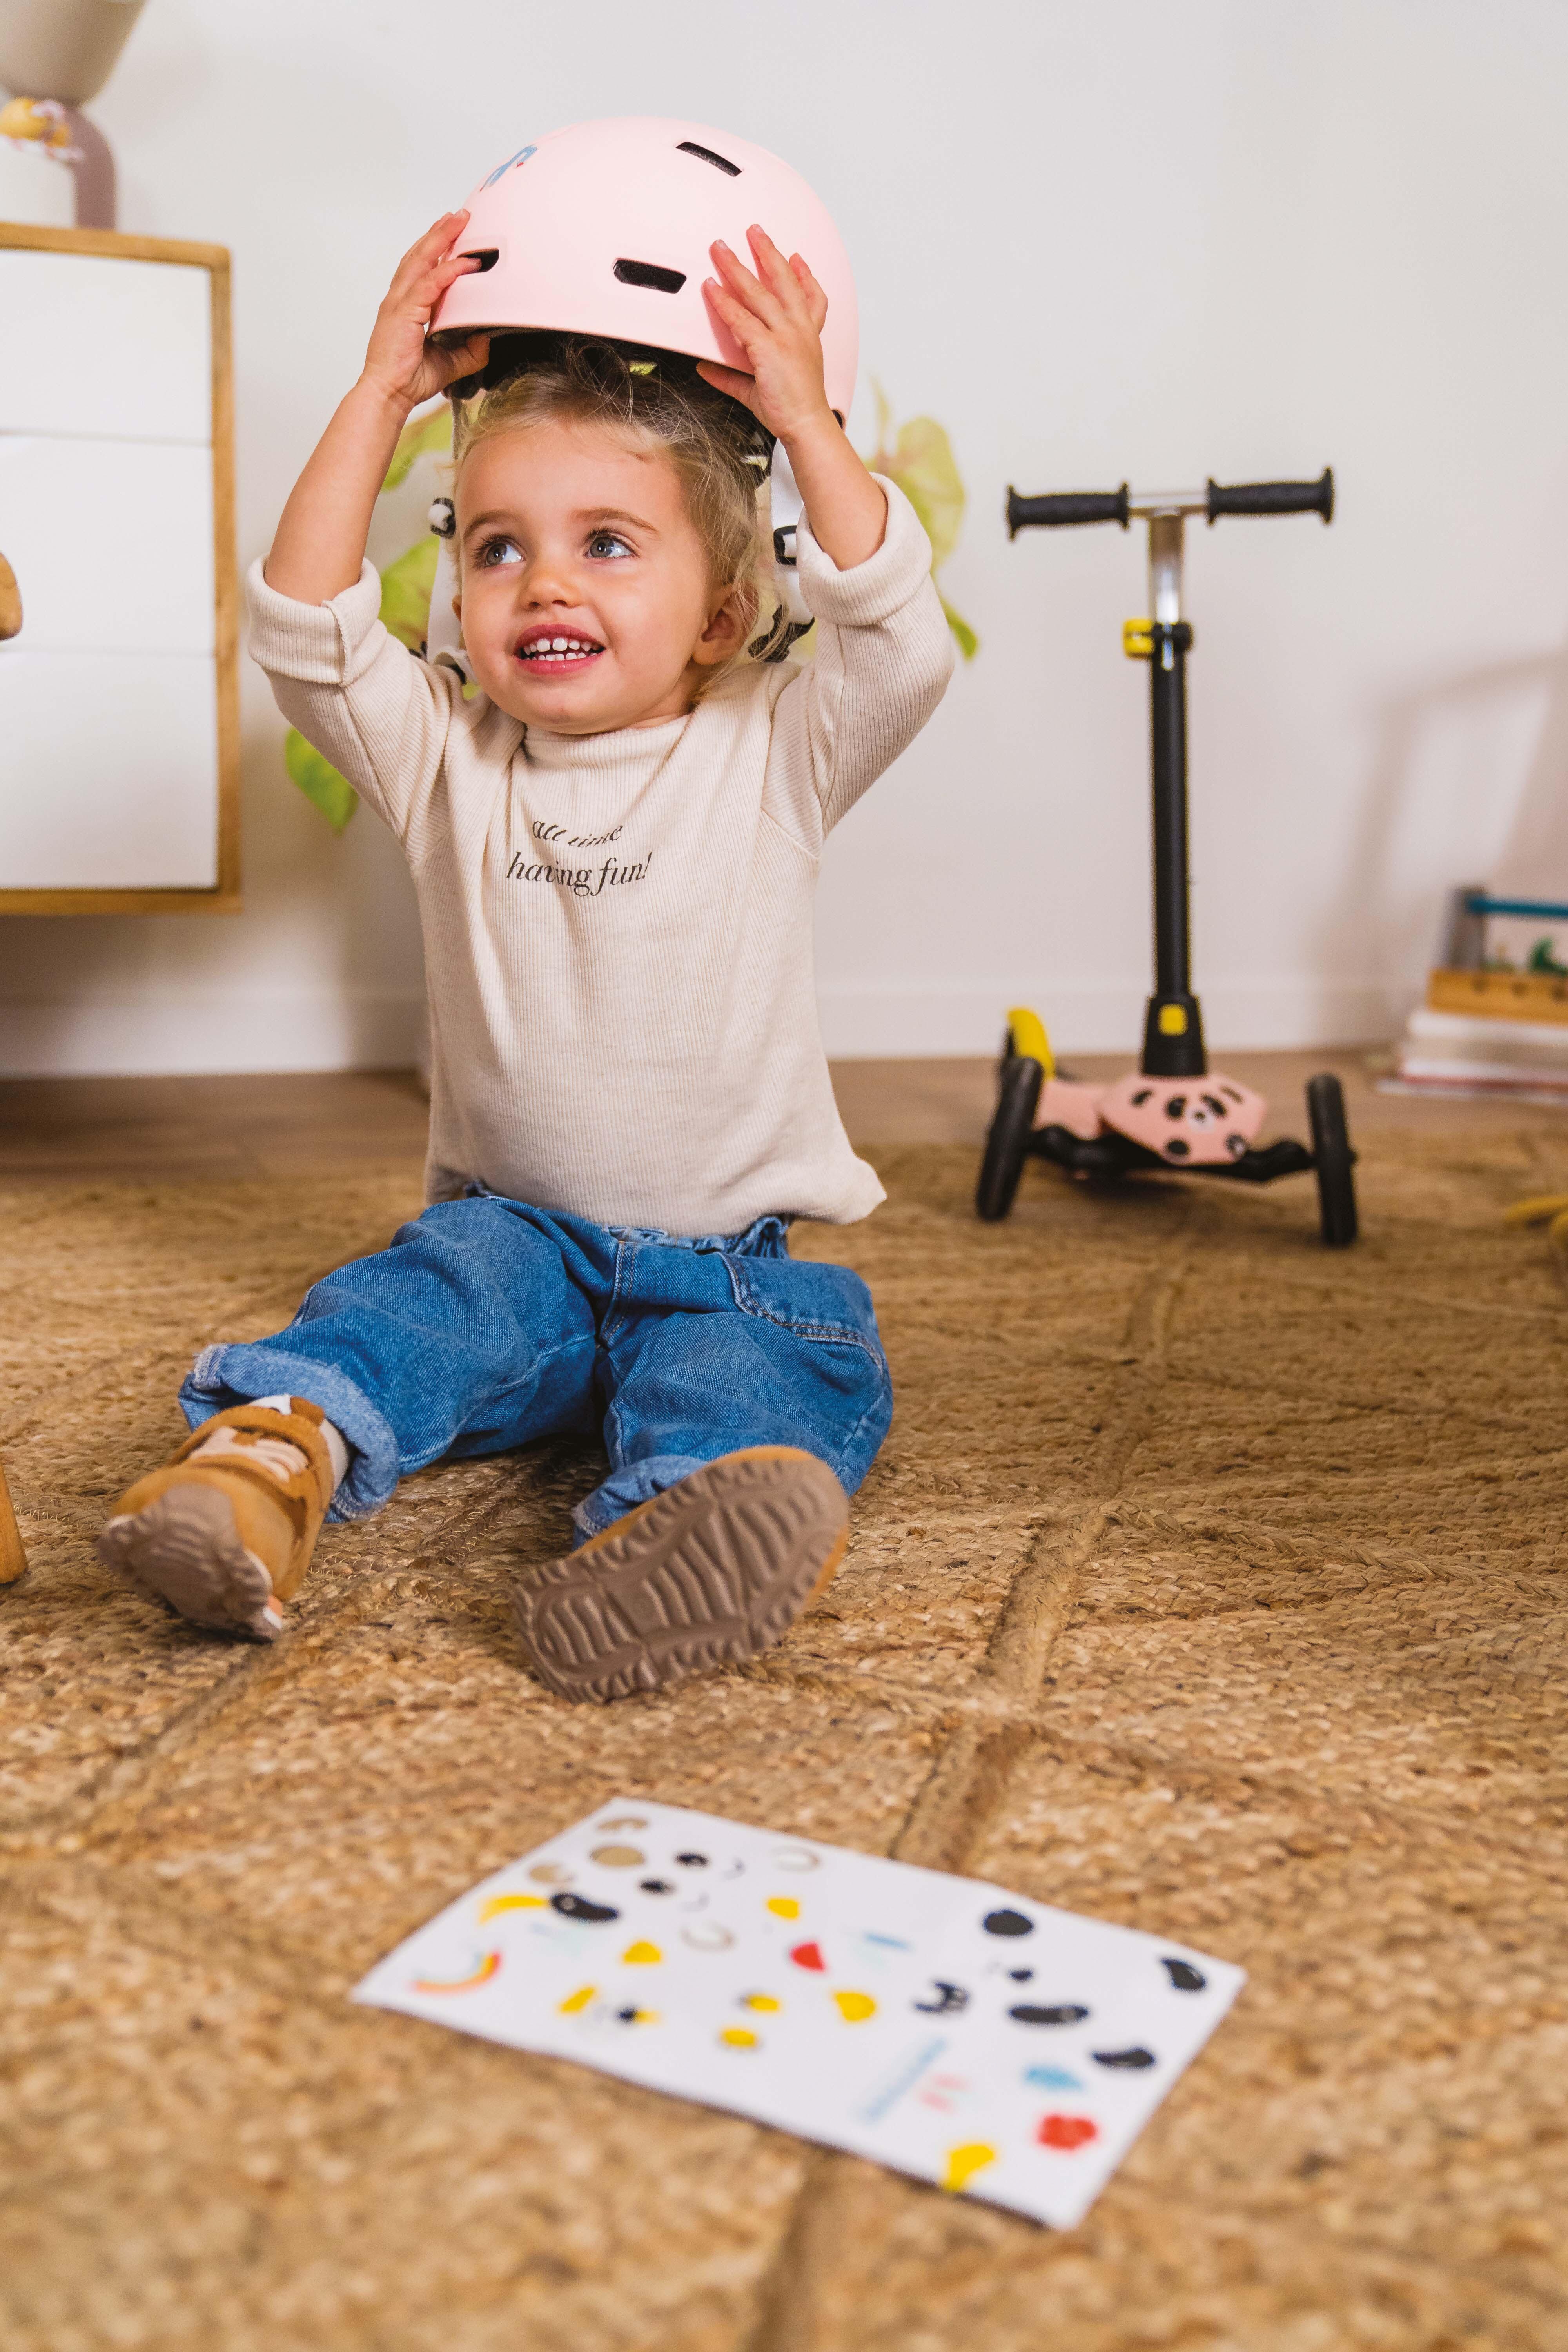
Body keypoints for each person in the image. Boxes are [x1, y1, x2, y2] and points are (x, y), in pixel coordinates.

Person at [99, 185, 953, 1703]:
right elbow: (303, 623)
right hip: (518, 1241)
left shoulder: (781, 745)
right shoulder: (447, 757)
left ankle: (677, 1530)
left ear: (721, 610)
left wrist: (810, 430)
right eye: (496, 548)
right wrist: (380, 398)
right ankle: (260, 1467)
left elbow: (899, 637)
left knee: (760, 1374)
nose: (543, 581)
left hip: (721, 1261)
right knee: (400, 1313)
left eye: (608, 543)